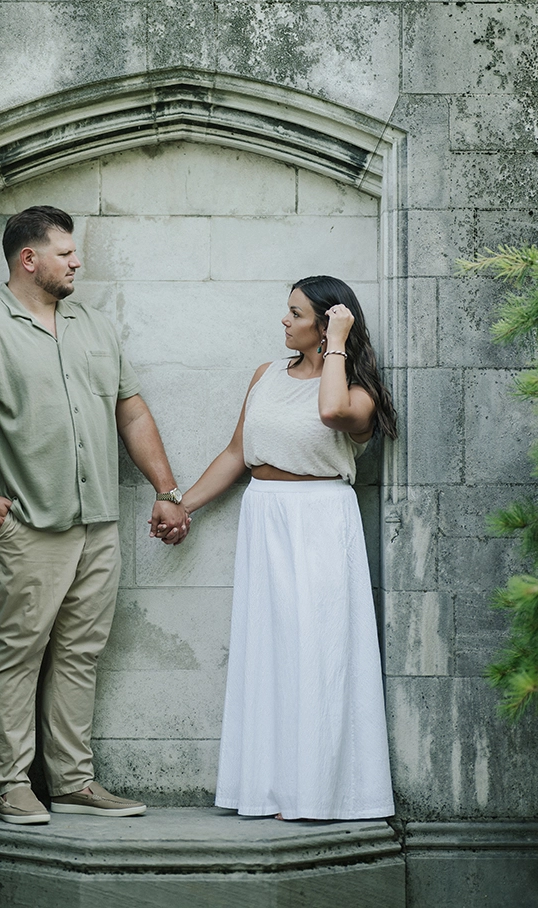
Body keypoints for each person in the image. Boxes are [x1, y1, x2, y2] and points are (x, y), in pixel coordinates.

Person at [0, 205, 187, 827]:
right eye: (66, 253)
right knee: (17, 655)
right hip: (27, 525)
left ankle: (72, 782)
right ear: (28, 258)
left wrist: (166, 487)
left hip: (97, 523)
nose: (78, 262)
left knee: (80, 653)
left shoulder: (94, 326)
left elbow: (132, 411)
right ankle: (12, 785)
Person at [154, 276, 398, 822]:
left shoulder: (359, 394)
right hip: (265, 516)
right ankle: (265, 790)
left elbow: (331, 411)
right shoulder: (265, 375)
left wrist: (337, 342)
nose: (283, 321)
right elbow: (239, 451)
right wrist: (182, 503)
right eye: (285, 312)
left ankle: (321, 793)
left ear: (327, 322)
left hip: (320, 520)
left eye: (296, 314)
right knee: (268, 655)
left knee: (320, 651)